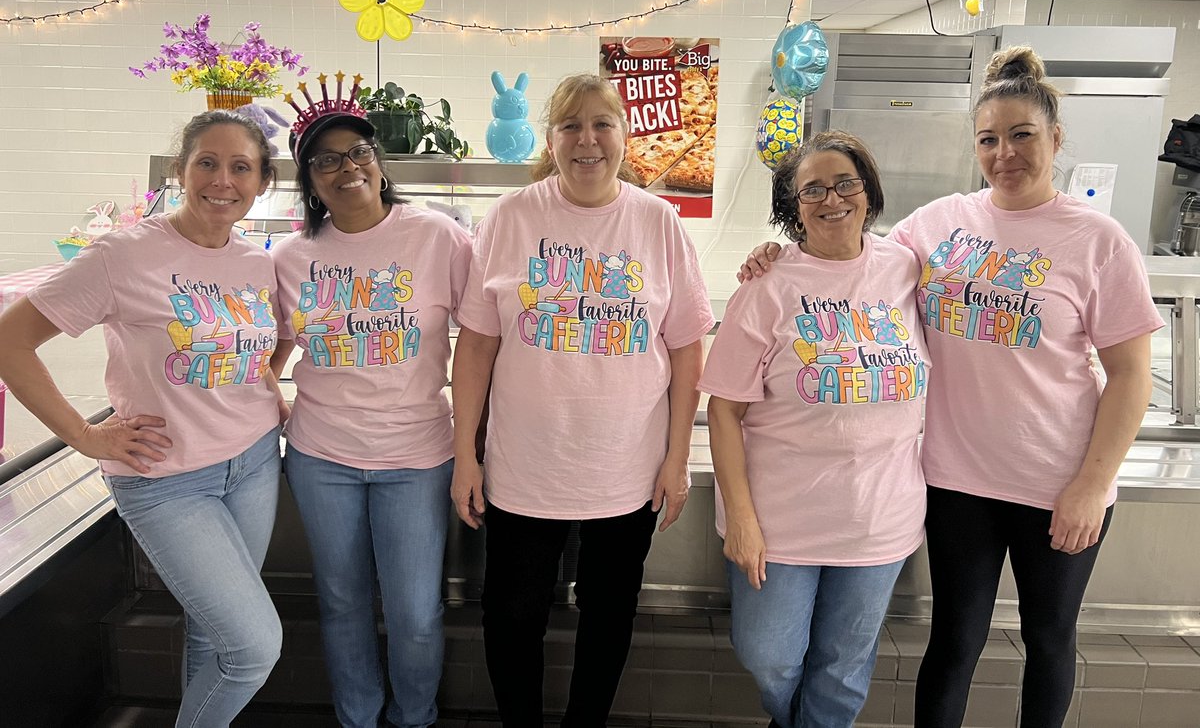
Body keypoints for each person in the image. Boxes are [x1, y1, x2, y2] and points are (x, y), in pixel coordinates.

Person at [739, 47, 1161, 728]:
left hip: (1059, 477)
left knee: (1047, 636)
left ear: (1055, 138)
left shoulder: (1099, 241)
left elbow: (1132, 374)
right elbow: (850, 254)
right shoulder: (939, 223)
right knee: (956, 641)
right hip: (958, 477)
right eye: (989, 139)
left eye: (1022, 135)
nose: (1006, 154)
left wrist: (1092, 482)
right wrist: (776, 251)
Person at [0, 110, 288, 727]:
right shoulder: (123, 256)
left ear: (262, 181)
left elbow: (245, 345)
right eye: (206, 162)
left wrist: (266, 386)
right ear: (181, 170)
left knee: (217, 638)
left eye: (241, 167)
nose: (222, 179)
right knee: (255, 647)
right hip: (165, 480)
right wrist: (81, 435)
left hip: (255, 461)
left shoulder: (255, 262)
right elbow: (9, 340)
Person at [449, 73, 713, 727]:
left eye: (602, 124)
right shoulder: (512, 217)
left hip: (626, 471)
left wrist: (677, 458)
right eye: (571, 125)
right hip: (523, 469)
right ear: (552, 138)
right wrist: (464, 455)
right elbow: (477, 345)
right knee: (512, 616)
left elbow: (686, 350)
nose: (587, 140)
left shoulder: (658, 222)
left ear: (626, 135)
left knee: (609, 613)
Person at [703, 131, 928, 728]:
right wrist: (743, 521)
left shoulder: (905, 268)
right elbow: (724, 410)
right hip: (780, 521)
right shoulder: (767, 286)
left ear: (869, 190)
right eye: (812, 190)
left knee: (844, 664)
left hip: (878, 515)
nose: (833, 199)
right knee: (769, 655)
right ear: (791, 206)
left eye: (846, 183)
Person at [269, 91, 471, 728]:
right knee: (341, 601)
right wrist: (263, 392)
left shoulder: (439, 237)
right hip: (319, 454)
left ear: (378, 161)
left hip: (418, 455)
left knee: (415, 612)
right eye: (325, 160)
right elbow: (268, 345)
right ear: (308, 180)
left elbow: (486, 336)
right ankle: (357, 718)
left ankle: (414, 718)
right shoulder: (289, 257)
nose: (346, 166)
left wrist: (478, 436)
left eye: (357, 151)